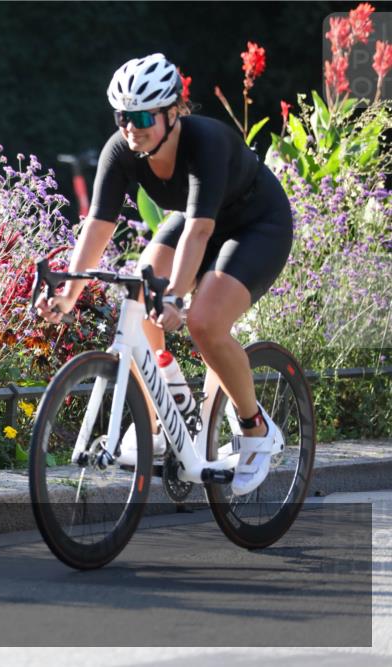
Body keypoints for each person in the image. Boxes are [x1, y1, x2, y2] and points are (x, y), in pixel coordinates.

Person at [35, 53, 293, 496]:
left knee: (204, 322)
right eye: (122, 116)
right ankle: (162, 413)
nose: (130, 127)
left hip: (255, 224)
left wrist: (175, 296)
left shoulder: (205, 142)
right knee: (138, 293)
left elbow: (200, 231)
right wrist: (69, 292)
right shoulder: (122, 149)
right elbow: (98, 225)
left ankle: (256, 429)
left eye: (141, 116)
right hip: (196, 222)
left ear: (173, 113)